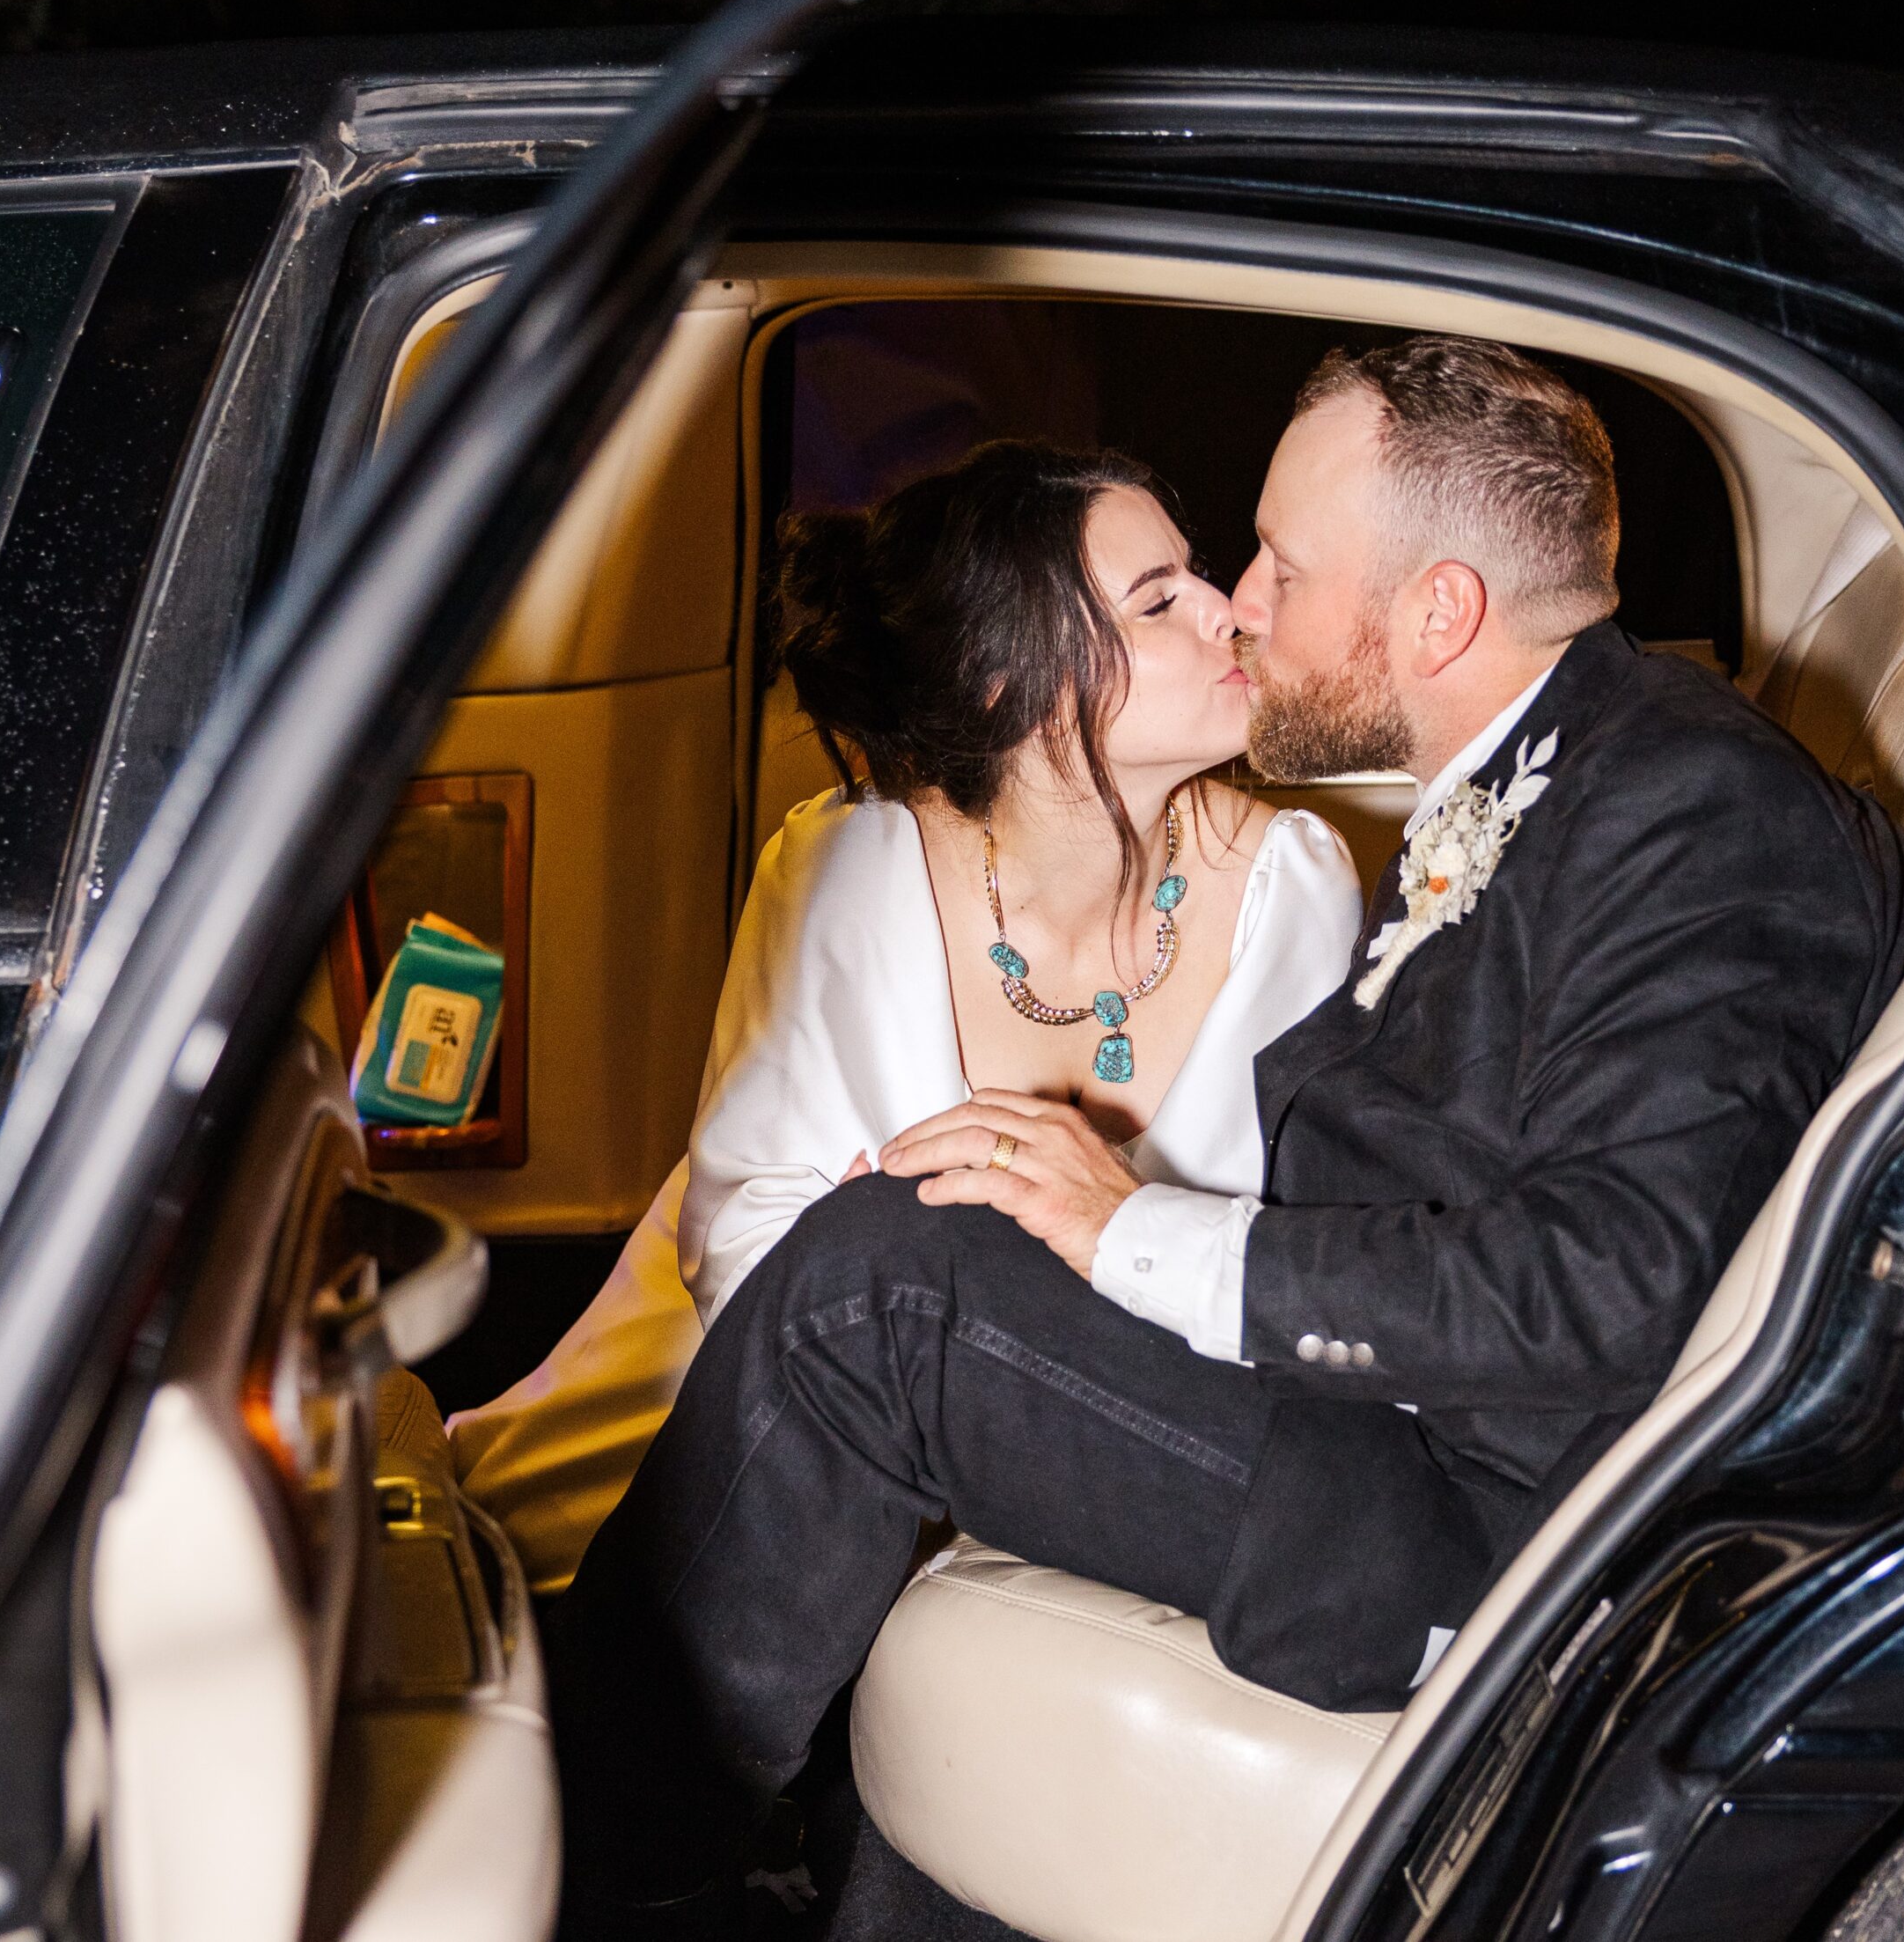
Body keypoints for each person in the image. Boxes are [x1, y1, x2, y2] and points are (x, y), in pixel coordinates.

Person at [548, 335, 1904, 1931]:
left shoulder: (1695, 808)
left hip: (1490, 1525)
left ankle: (576, 1877)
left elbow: (1619, 1288)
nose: (1244, 608)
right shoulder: (1540, 780)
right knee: (922, 1257)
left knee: (887, 1289)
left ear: (1439, 612)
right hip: (1385, 1432)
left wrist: (1130, 1228)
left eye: (1278, 562)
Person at [450, 438, 1361, 1589]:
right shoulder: (844, 867)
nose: (1230, 613)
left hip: (1087, 1459)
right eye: (1158, 601)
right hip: (743, 1433)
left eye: (1200, 573)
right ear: (1005, 684)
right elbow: (746, 1246)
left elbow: (1291, 1252)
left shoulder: (1295, 885)